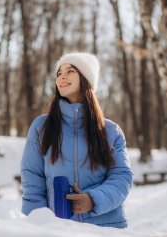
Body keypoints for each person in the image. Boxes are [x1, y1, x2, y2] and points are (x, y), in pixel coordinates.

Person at [20, 52, 133, 228]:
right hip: (61, 229)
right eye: (59, 73)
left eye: (70, 71)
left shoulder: (111, 131)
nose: (62, 76)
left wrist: (93, 200)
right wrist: (36, 227)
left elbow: (121, 177)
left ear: (86, 79)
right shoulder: (41, 127)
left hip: (106, 229)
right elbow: (32, 183)